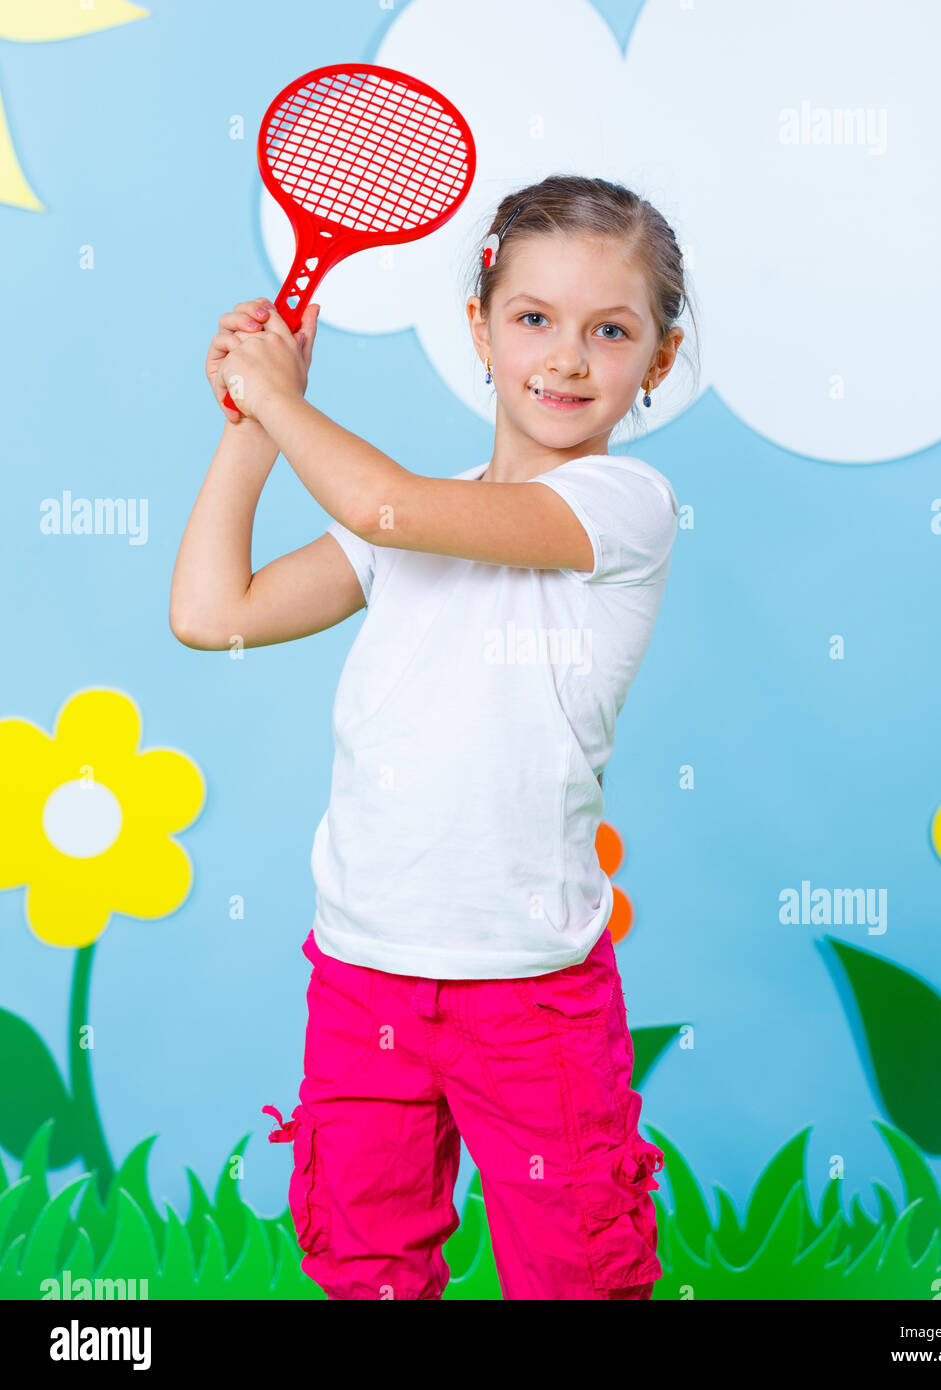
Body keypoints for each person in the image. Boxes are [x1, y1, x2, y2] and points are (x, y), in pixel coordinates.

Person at [171, 173, 699, 1300]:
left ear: (656, 360)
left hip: (531, 1000)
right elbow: (211, 615)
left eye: (609, 331)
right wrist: (254, 423)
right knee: (365, 1269)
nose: (564, 359)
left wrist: (284, 401)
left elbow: (379, 505)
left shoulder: (622, 508)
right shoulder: (408, 514)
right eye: (533, 319)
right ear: (480, 329)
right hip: (361, 980)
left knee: (575, 1274)